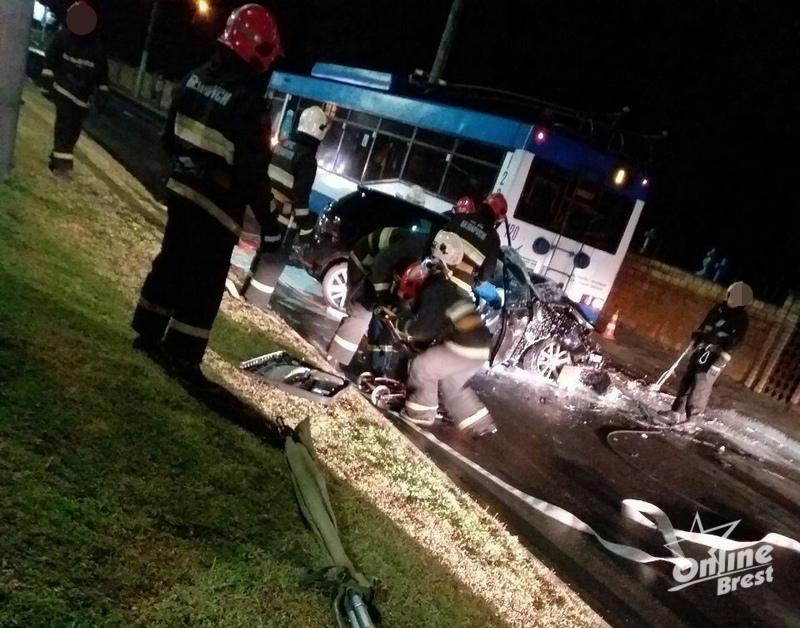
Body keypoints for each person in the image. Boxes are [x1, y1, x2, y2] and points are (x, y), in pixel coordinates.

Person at [131, 4, 282, 386]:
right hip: (218, 208)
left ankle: (148, 330)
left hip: (181, 192)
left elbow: (169, 138)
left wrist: (188, 168)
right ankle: (182, 354)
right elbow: (252, 174)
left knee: (172, 261)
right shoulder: (250, 105)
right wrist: (270, 225)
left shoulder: (193, 78)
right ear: (255, 50)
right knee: (204, 281)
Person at [397, 241, 497, 438]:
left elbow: (423, 330)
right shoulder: (451, 289)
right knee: (451, 384)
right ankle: (480, 424)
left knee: (423, 367)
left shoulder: (436, 289)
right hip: (481, 348)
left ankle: (421, 414)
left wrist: (404, 326)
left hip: (464, 346)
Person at [243, 105, 330, 310]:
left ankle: (247, 289)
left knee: (265, 251)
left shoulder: (283, 144)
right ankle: (255, 301)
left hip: (268, 209)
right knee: (274, 260)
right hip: (284, 220)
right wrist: (306, 227)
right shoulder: (307, 159)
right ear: (319, 130)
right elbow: (301, 198)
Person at [326, 226, 429, 366]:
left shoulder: (431, 262)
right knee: (361, 312)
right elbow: (381, 265)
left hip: (383, 268)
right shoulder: (415, 247)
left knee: (385, 319)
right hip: (364, 261)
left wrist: (395, 310)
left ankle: (377, 366)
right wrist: (384, 297)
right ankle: (334, 358)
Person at [661, 281, 752, 423]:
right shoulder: (718, 309)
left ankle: (692, 420)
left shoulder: (741, 319)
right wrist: (696, 338)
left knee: (701, 386)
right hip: (701, 350)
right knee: (687, 380)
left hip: (715, 356)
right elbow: (704, 325)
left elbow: (735, 343)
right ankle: (676, 412)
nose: (732, 299)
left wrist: (719, 363)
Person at [41, 1, 109, 177]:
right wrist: (48, 79)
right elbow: (50, 59)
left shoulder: (96, 47)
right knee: (65, 125)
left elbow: (102, 73)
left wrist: (102, 93)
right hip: (63, 91)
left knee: (73, 131)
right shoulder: (62, 38)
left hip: (83, 99)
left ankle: (58, 158)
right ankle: (61, 167)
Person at [437, 192, 506, 284]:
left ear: (484, 204)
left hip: (439, 274)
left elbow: (437, 242)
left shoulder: (460, 218)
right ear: (497, 217)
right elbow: (486, 274)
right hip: (461, 284)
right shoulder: (494, 239)